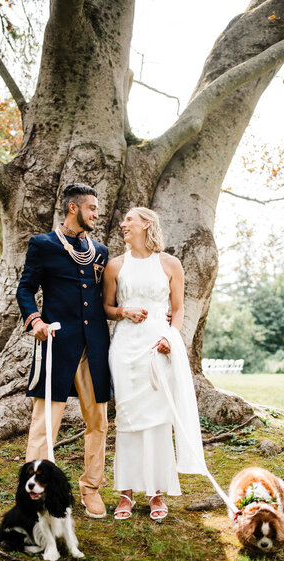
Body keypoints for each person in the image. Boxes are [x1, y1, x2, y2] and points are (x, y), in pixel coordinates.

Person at [103, 207, 207, 520]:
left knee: (159, 419)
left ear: (147, 224)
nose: (123, 224)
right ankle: (125, 493)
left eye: (129, 219)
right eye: (123, 221)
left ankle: (157, 492)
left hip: (158, 347)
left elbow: (178, 310)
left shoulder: (170, 264)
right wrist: (124, 312)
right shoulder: (115, 266)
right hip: (125, 349)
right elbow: (106, 307)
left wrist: (171, 340)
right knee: (128, 420)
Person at [16, 183, 110, 519]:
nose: (96, 214)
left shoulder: (100, 251)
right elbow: (25, 289)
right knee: (45, 423)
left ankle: (91, 489)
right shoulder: (43, 245)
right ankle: (35, 492)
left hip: (95, 346)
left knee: (98, 421)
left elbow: (109, 295)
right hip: (56, 344)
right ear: (73, 208)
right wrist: (35, 319)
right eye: (92, 208)